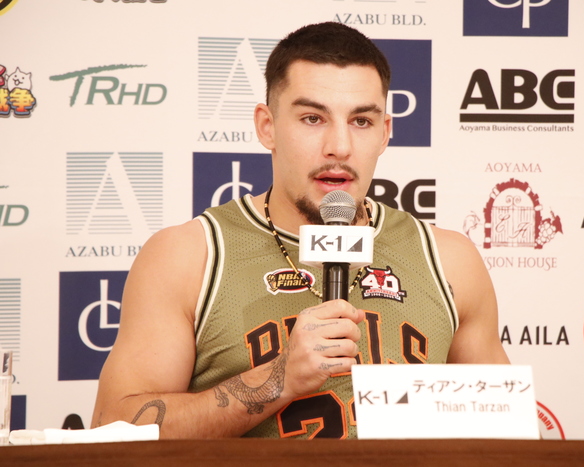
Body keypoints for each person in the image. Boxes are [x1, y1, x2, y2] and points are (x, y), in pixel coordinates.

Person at [91, 21, 509, 439]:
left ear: (385, 133)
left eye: (361, 121)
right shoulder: (188, 256)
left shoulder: (449, 259)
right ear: (267, 126)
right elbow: (111, 428)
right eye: (313, 118)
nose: (339, 147)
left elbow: (508, 430)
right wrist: (277, 379)